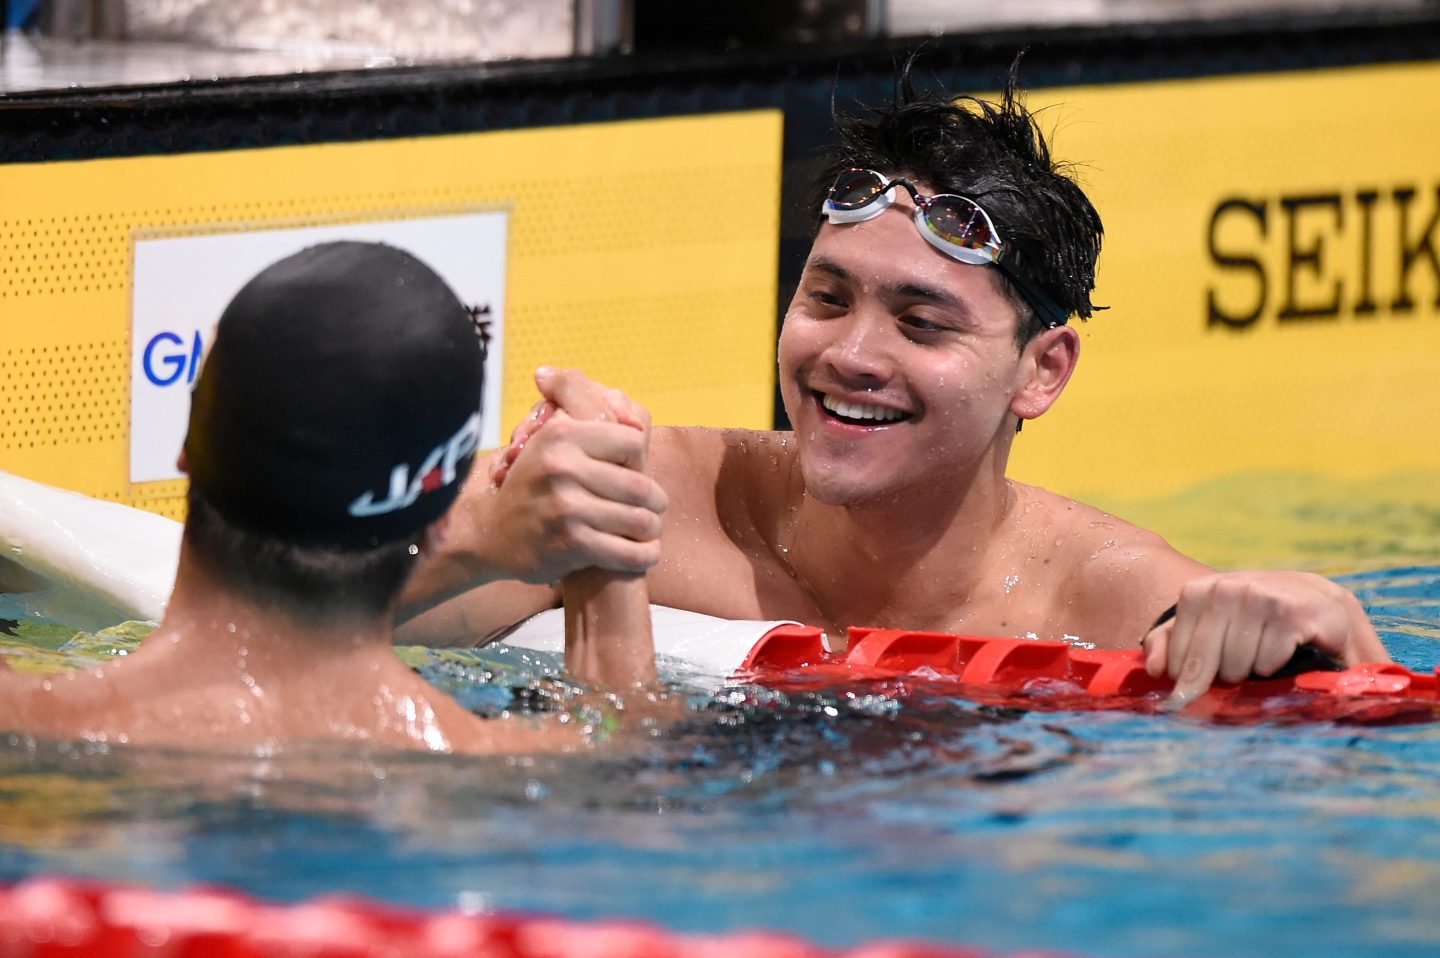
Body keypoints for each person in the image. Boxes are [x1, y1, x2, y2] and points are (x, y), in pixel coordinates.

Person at [397, 69, 1390, 706]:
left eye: (921, 323)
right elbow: (297, 611)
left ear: (1041, 372)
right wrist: (483, 537)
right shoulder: (652, 497)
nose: (851, 355)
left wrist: (1333, 639)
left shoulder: (1111, 600)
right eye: (827, 297)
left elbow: (1347, 749)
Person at [0, 241, 661, 752]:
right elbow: (625, 769)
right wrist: (611, 552)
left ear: (186, 450)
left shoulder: (28, 726)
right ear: (439, 521)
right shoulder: (497, 764)